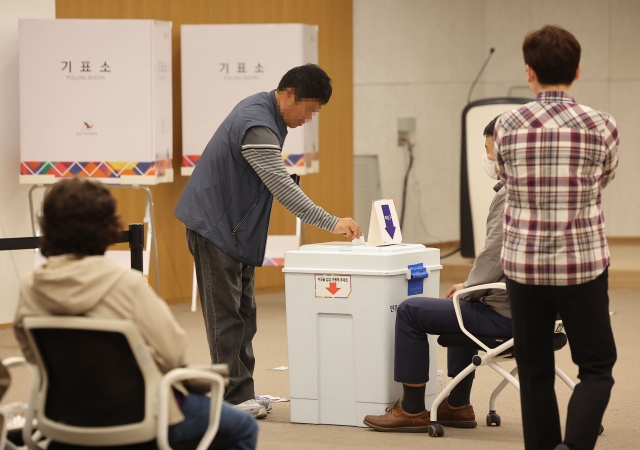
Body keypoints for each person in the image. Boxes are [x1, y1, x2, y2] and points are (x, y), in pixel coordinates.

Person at [13, 178, 258, 450]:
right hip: (142, 420)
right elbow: (173, 352)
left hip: (65, 419)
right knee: (243, 427)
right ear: (106, 228)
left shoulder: (30, 287)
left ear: (47, 226)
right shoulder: (125, 284)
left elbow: (31, 354)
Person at [174, 64, 362, 417]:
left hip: (236, 230)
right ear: (289, 95)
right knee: (226, 317)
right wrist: (331, 221)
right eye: (309, 108)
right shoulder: (257, 123)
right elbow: (282, 187)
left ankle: (242, 393)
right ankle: (230, 399)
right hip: (215, 227)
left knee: (245, 314)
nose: (310, 117)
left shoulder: (266, 112)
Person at [493, 25, 619, 450]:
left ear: (529, 73)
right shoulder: (602, 124)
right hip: (581, 264)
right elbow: (604, 179)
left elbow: (505, 178)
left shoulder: (507, 124)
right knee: (597, 366)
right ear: (578, 70)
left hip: (523, 265)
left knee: (533, 371)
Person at [363, 116, 511, 432]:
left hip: (508, 315)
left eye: (491, 150)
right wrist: (470, 290)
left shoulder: (510, 195)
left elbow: (494, 253)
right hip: (542, 314)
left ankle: (413, 408)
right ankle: (457, 406)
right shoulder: (547, 193)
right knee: (463, 304)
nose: (488, 158)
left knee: (411, 310)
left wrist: (471, 286)